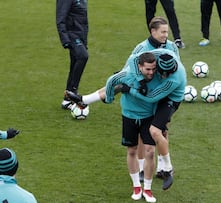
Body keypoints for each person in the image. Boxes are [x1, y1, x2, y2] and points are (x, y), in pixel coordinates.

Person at [65, 16, 179, 181]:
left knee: (163, 129)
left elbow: (176, 67)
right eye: (162, 32)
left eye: (167, 32)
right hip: (144, 92)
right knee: (143, 132)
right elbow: (129, 67)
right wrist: (136, 82)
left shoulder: (171, 47)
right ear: (153, 31)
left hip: (162, 92)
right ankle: (141, 169)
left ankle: (162, 167)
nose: (165, 35)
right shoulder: (142, 47)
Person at [118, 48, 186, 190]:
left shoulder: (174, 78)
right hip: (157, 95)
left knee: (155, 131)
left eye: (169, 73)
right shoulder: (160, 54)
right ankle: (85, 100)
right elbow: (133, 59)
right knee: (158, 131)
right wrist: (141, 80)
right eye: (162, 73)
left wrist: (130, 90)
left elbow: (152, 98)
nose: (165, 76)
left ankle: (167, 168)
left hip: (170, 99)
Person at [104, 52, 159, 202]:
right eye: (148, 69)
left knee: (150, 152)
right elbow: (111, 81)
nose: (151, 72)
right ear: (139, 67)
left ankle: (147, 188)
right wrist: (108, 98)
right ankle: (136, 186)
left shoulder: (157, 78)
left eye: (153, 69)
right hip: (129, 117)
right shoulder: (127, 75)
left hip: (148, 118)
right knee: (132, 150)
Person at [56, 0, 89, 110]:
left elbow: (83, 20)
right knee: (83, 56)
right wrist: (65, 39)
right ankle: (72, 92)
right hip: (72, 35)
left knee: (75, 63)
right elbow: (60, 18)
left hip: (81, 35)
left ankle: (67, 99)